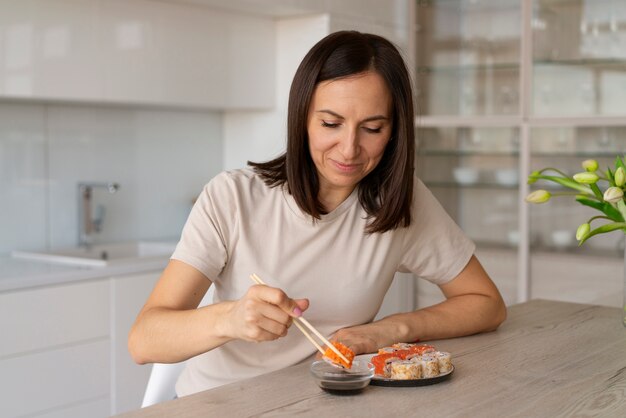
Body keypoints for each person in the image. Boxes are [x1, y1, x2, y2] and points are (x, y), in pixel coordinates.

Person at [128, 30, 507, 396]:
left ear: (394, 132)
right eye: (330, 124)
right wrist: (229, 319)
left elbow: (486, 304)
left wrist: (391, 330)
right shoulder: (233, 197)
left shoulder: (399, 201)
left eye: (372, 128)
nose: (348, 149)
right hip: (220, 404)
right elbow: (144, 341)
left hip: (326, 403)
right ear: (303, 119)